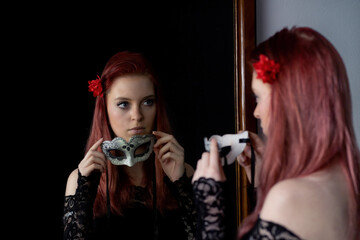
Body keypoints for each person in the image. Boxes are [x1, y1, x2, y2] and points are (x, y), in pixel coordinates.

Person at [192, 27, 360, 240]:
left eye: (259, 98)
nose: (256, 112)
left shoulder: (288, 199)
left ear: (289, 102)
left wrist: (210, 207)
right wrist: (265, 181)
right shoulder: (348, 178)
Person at [63, 51, 196, 240]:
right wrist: (86, 189)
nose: (137, 115)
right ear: (104, 108)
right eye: (124, 104)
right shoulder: (79, 180)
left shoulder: (185, 174)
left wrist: (179, 183)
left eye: (148, 102)